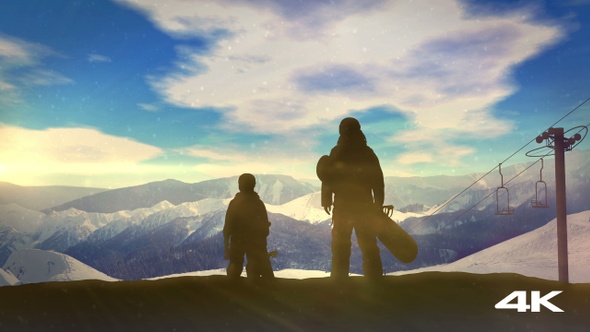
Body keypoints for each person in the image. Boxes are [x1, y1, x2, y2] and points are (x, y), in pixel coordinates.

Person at [317, 117, 385, 280]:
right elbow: (378, 180)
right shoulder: (367, 152)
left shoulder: (336, 152)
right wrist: (378, 203)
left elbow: (328, 177)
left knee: (340, 246)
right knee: (369, 245)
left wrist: (326, 200)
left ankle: (339, 280)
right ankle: (374, 279)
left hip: (342, 206)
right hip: (365, 207)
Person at [223, 173, 274, 279]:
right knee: (256, 268)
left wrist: (226, 244)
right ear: (254, 185)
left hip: (237, 240)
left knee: (235, 266)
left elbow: (228, 225)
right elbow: (264, 227)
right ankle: (256, 289)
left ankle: (232, 288)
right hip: (256, 241)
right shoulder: (259, 203)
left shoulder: (235, 203)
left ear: (240, 185)